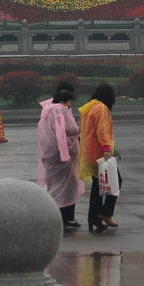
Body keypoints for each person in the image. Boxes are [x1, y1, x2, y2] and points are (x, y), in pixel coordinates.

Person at [38, 76, 81, 230]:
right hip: (61, 156)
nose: (71, 105)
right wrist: (80, 128)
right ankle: (62, 217)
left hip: (50, 154)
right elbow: (67, 130)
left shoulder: (48, 108)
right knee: (65, 187)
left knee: (57, 185)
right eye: (69, 101)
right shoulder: (59, 110)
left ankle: (61, 217)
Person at [80, 82, 118, 233]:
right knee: (115, 181)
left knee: (97, 187)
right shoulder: (101, 108)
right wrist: (107, 148)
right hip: (100, 153)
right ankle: (105, 213)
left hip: (90, 152)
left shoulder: (89, 107)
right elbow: (102, 131)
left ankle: (93, 217)